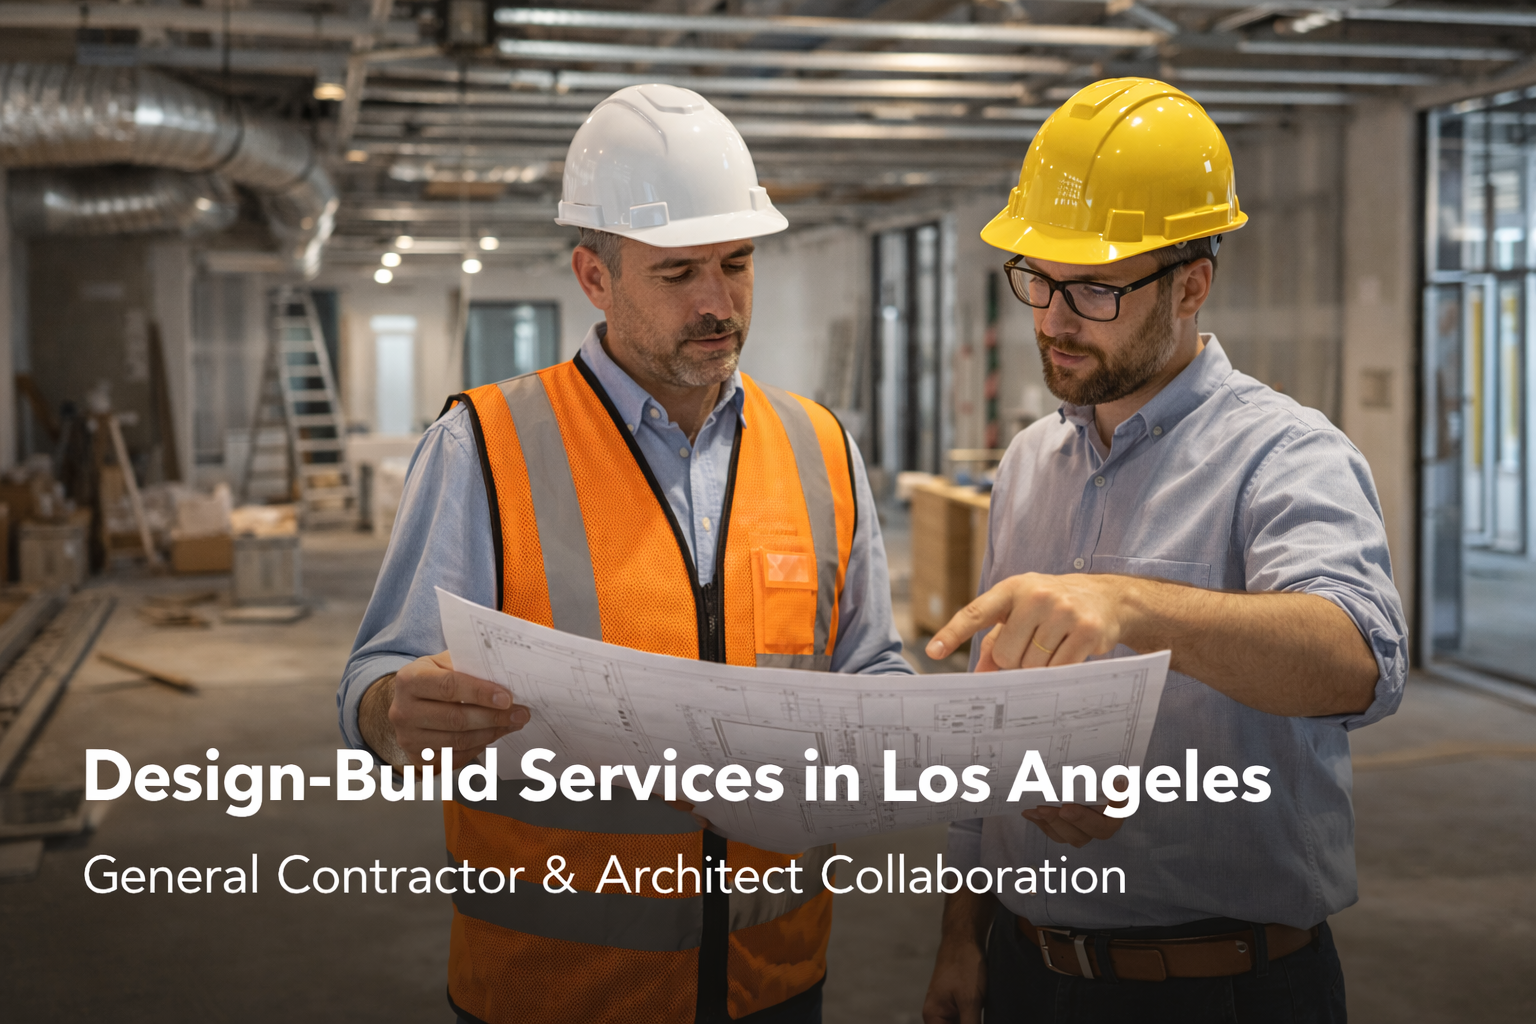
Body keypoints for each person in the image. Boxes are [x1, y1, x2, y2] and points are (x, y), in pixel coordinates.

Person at [338, 84, 910, 1024]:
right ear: (594, 278)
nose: (719, 303)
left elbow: (873, 667)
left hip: (775, 982)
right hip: (553, 992)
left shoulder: (821, 448)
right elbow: (377, 679)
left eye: (737, 263)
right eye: (678, 273)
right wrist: (393, 716)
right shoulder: (483, 447)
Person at [920, 78, 1408, 1024]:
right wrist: (959, 938)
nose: (1053, 318)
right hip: (1026, 968)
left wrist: (1131, 604)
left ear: (1191, 284)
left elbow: (1359, 662)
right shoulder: (1030, 464)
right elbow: (990, 720)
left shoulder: (1284, 455)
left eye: (1096, 289)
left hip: (1224, 990)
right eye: (1038, 278)